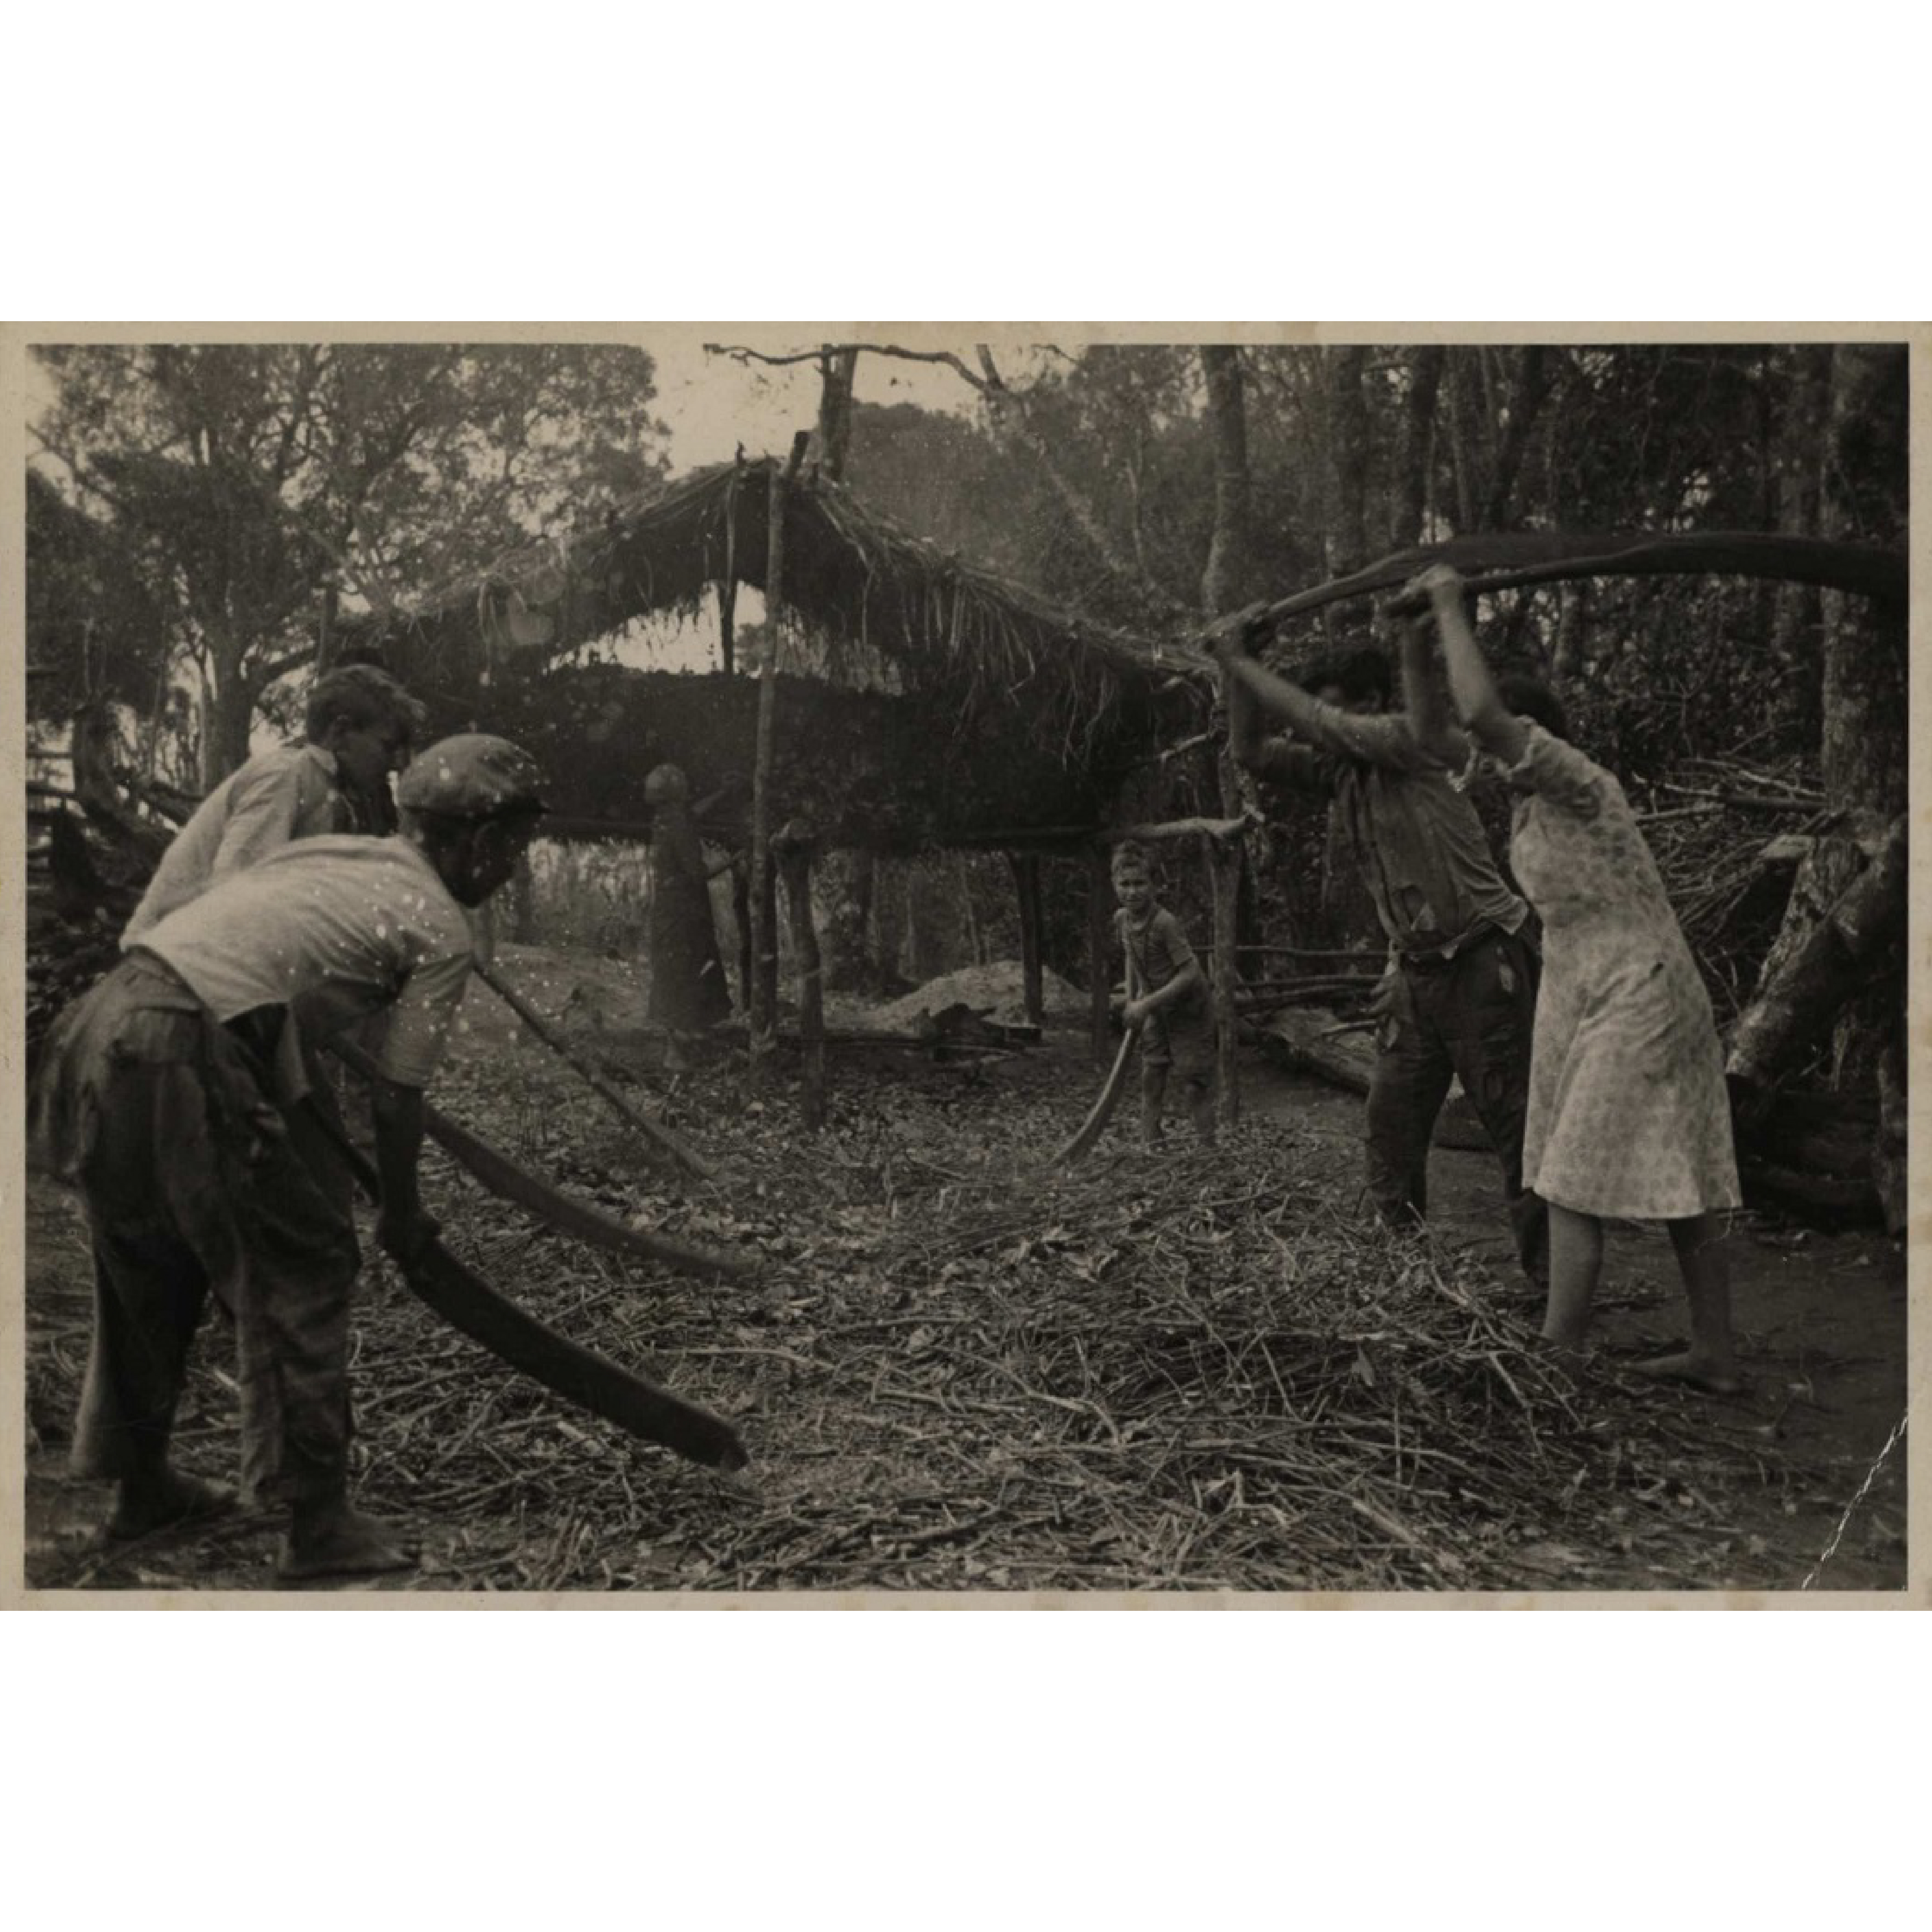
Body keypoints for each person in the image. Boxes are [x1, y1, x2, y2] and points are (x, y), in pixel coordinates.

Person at [30, 734, 549, 1580]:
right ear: (481, 843)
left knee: (149, 1257)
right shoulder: (440, 928)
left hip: (104, 1021)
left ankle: (141, 1486)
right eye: (515, 849)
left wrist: (327, 1169)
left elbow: (278, 1027)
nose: (513, 869)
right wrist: (403, 1214)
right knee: (304, 1263)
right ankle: (316, 1521)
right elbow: (396, 1092)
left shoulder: (336, 856)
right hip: (182, 1039)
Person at [1406, 565, 1741, 1388]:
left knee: (1570, 1179)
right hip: (1581, 986)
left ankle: (1558, 1356)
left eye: (1495, 745)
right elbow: (1431, 731)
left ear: (1534, 738)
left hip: (1641, 985)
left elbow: (1480, 710)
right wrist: (1411, 638)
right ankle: (1716, 1352)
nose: (1479, 755)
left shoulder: (1581, 784)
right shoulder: (1526, 805)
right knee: (1648, 1172)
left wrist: (1452, 602)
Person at [1207, 610, 1546, 1282]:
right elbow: (1250, 751)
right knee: (1390, 1135)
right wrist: (1234, 666)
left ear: (1372, 705)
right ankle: (1405, 1281)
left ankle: (1551, 1293)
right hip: (1416, 975)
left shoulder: (1406, 742)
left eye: (1338, 714)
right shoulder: (1342, 773)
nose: (1324, 731)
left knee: (1520, 1135)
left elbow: (1316, 724)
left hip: (1484, 962)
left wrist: (1240, 662)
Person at [123, 663, 429, 941]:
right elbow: (235, 893)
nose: (398, 763)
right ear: (340, 732)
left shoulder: (338, 791)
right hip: (172, 958)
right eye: (388, 747)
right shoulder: (286, 776)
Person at [1112, 839, 1218, 1147]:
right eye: (1125, 884)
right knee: (1152, 1074)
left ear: (1154, 885)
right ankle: (1152, 1143)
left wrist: (1146, 1004)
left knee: (1194, 1081)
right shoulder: (1123, 920)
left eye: (1140, 884)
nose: (1132, 892)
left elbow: (1191, 973)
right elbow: (1132, 958)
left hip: (1189, 1009)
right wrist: (1134, 998)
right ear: (1115, 885)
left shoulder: (1164, 923)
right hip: (1157, 1009)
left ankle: (1208, 1149)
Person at [644, 764, 733, 1072]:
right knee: (684, 973)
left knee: (678, 971)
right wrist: (732, 860)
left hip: (671, 908)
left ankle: (686, 1046)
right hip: (685, 910)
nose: (687, 783)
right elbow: (697, 873)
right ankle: (677, 1054)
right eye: (681, 780)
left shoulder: (665, 818)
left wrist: (722, 793)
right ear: (674, 790)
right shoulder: (678, 822)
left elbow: (694, 813)